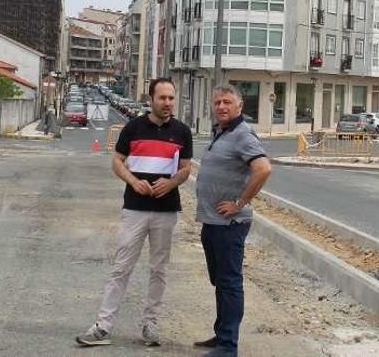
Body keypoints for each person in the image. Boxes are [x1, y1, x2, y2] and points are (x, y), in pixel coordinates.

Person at [76, 78, 192, 348]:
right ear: (150, 99)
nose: (167, 103)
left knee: (159, 269)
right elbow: (117, 161)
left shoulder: (182, 132)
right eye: (162, 98)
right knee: (121, 267)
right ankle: (103, 326)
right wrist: (133, 181)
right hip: (135, 209)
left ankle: (150, 325)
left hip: (165, 211)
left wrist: (172, 182)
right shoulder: (133, 128)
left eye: (171, 98)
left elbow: (186, 168)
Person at [193, 84, 272, 357]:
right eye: (217, 103)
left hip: (230, 224)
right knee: (220, 281)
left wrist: (240, 203)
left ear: (239, 106)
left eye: (227, 102)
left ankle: (228, 346)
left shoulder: (242, 134)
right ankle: (221, 334)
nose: (221, 107)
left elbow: (263, 169)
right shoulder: (222, 131)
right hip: (212, 222)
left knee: (229, 282)